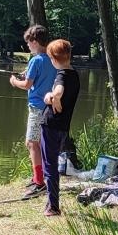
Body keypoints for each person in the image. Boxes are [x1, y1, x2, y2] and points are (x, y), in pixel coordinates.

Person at [9, 25, 56, 199]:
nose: (28, 46)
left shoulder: (35, 60)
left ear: (35, 41)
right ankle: (40, 177)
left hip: (37, 108)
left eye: (28, 43)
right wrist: (26, 74)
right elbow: (42, 76)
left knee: (31, 143)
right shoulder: (52, 58)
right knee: (41, 143)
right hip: (50, 108)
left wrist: (14, 81)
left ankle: (39, 183)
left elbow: (27, 85)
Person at [40, 39, 81, 216]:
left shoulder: (61, 75)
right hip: (63, 127)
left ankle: (53, 207)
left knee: (49, 165)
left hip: (50, 125)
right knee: (53, 164)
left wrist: (51, 97)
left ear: (54, 58)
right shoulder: (74, 74)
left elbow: (58, 91)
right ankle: (52, 202)